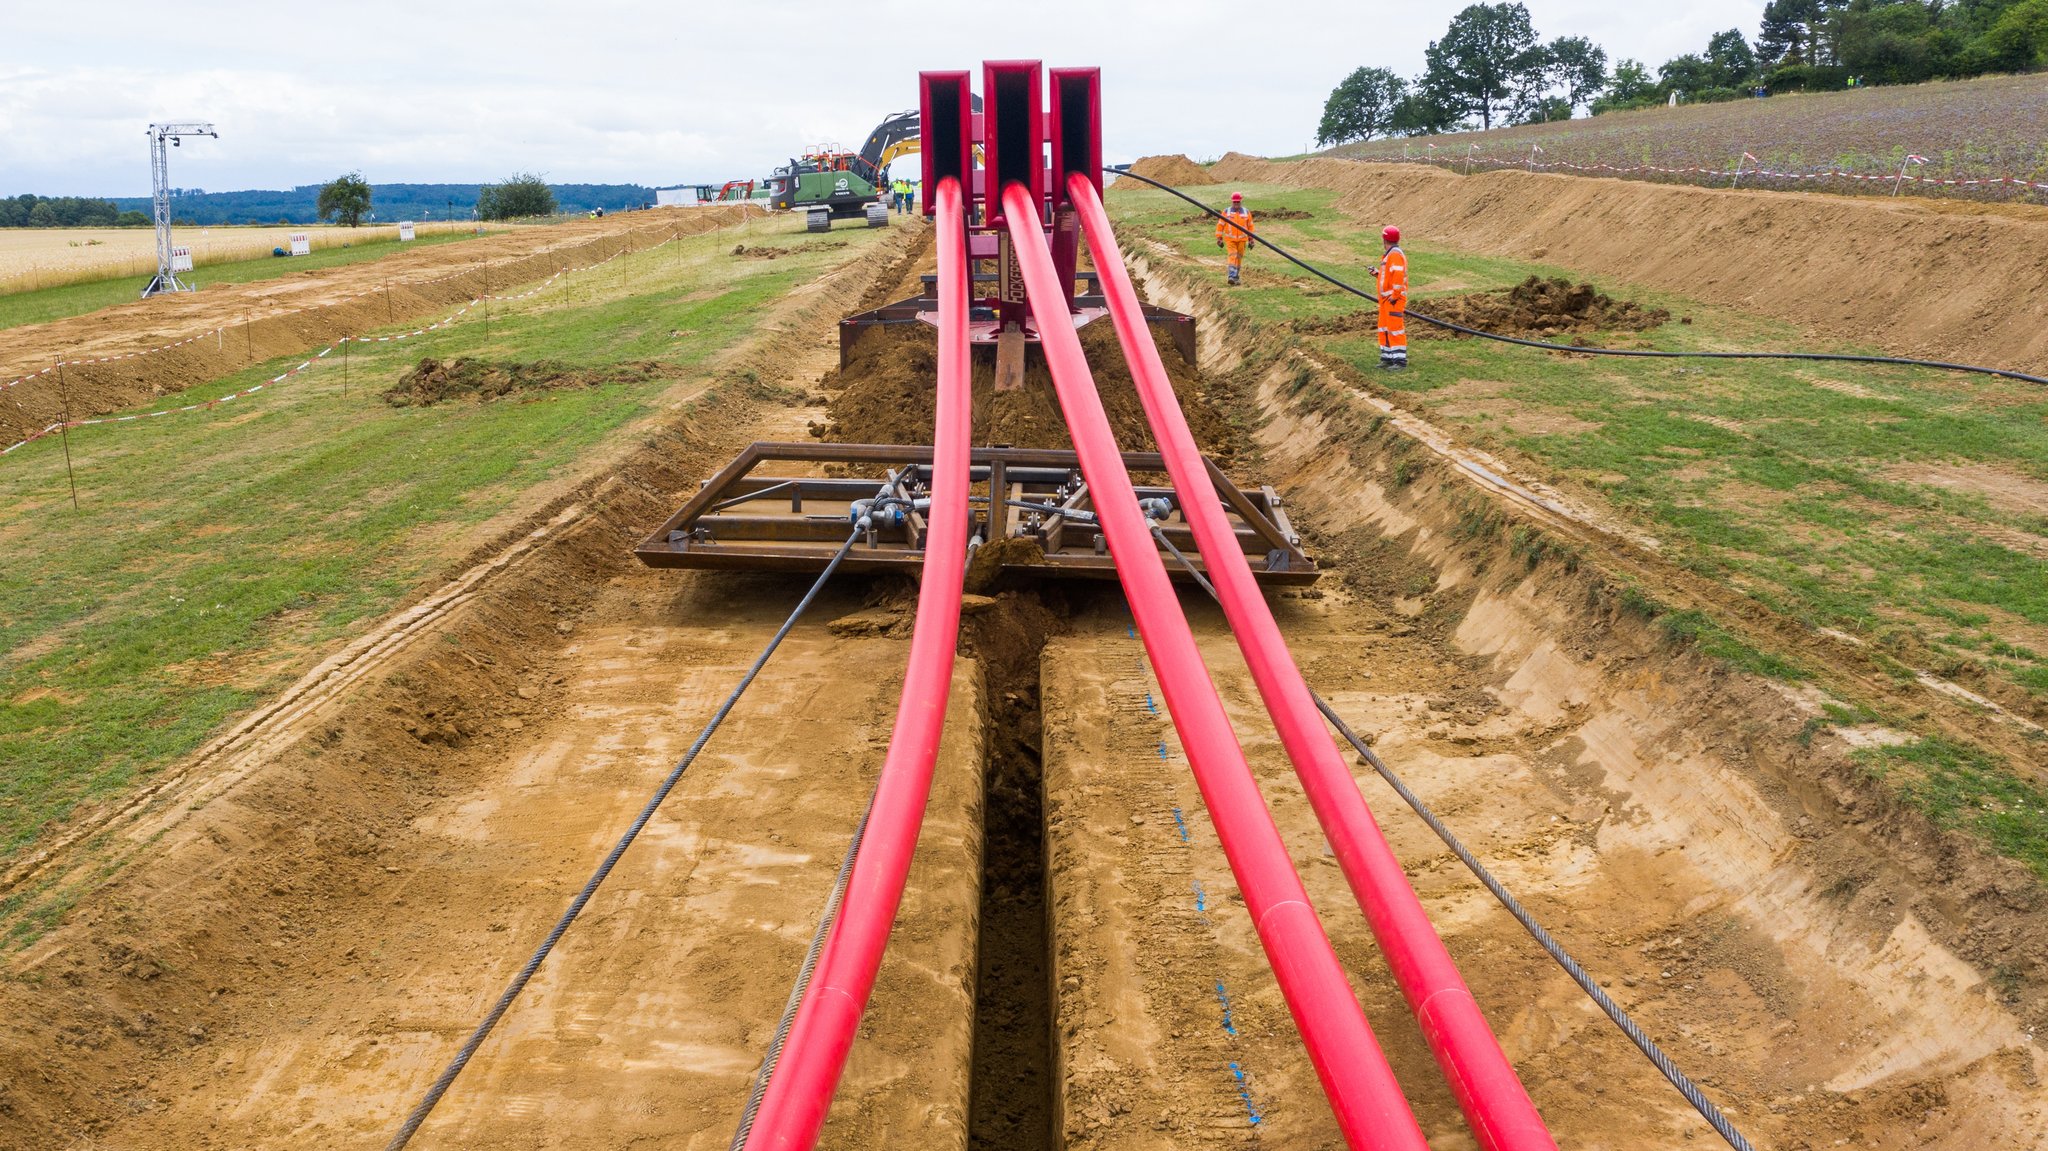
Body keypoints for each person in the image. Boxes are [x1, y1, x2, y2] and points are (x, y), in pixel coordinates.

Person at [1370, 226, 1408, 369]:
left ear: (1384, 239)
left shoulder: (1395, 255)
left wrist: (1395, 295)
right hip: (1387, 300)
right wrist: (1376, 273)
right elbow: (1389, 277)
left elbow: (1398, 277)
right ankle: (1387, 358)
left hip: (1393, 300)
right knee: (1384, 328)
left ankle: (1399, 361)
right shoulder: (1390, 254)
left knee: (1395, 329)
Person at [1214, 192, 1255, 286]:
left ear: (1240, 201)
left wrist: (1251, 240)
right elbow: (1220, 225)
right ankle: (1231, 276)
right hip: (1230, 240)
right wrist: (1219, 238)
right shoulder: (1226, 212)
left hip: (1242, 240)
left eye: (1238, 202)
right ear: (1232, 202)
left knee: (1239, 258)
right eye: (1234, 202)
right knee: (1233, 256)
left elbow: (1250, 226)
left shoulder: (1246, 212)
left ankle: (1235, 277)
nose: (1236, 204)